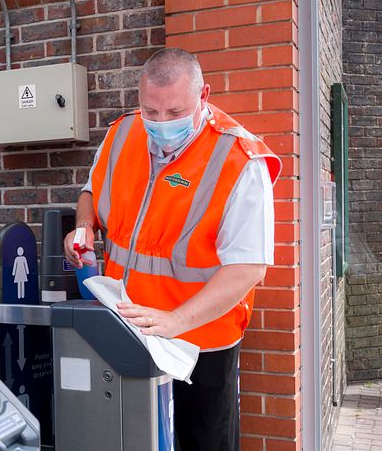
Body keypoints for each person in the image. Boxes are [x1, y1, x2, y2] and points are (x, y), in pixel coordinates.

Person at [64, 48, 281, 450]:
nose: (160, 123)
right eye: (151, 112)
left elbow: (249, 268)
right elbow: (92, 192)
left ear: (204, 96)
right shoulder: (122, 132)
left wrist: (175, 321)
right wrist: (83, 227)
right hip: (127, 331)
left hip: (198, 347)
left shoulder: (239, 159)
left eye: (175, 112)